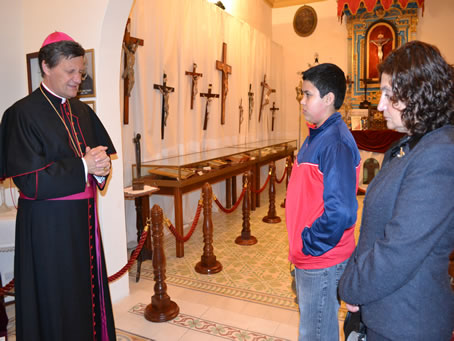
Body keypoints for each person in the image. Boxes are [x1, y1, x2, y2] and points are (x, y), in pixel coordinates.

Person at [0, 31, 117, 340]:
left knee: (84, 292)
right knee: (56, 298)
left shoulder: (82, 111)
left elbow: (97, 162)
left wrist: (101, 170)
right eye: (71, 71)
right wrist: (84, 166)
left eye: (81, 71)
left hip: (84, 222)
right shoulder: (20, 114)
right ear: (46, 67)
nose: (78, 78)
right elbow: (30, 182)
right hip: (47, 229)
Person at [339, 40, 454, 340]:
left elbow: (399, 250)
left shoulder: (440, 154)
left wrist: (351, 285)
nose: (379, 105)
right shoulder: (413, 144)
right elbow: (376, 230)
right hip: (385, 308)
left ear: (418, 93)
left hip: (408, 321)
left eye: (389, 95)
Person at [285, 63, 361, 340]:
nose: (301, 101)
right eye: (301, 93)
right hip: (310, 257)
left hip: (322, 259)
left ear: (328, 99)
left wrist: (308, 244)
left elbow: (341, 211)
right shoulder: (317, 135)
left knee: (317, 334)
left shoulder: (335, 143)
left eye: (307, 94)